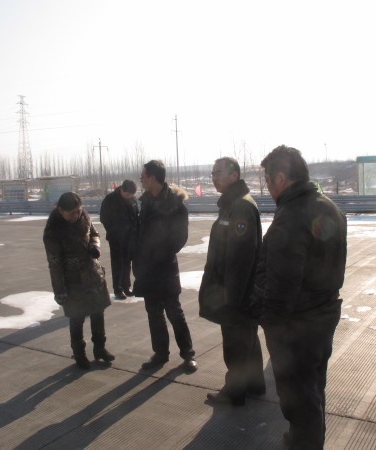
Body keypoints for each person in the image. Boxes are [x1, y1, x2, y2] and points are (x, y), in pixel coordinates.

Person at [251, 146, 347, 449]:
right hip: (323, 312)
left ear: (281, 178)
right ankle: (305, 438)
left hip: (296, 323)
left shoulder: (291, 216)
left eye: (268, 181)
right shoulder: (328, 206)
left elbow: (283, 281)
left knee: (297, 396)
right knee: (313, 388)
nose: (268, 188)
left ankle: (304, 442)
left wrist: (271, 325)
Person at [199, 157, 265, 406]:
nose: (214, 177)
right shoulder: (234, 204)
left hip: (236, 292)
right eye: (212, 173)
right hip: (240, 290)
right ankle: (255, 384)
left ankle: (234, 393)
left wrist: (232, 298)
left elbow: (240, 258)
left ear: (234, 175)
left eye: (218, 173)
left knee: (236, 343)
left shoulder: (240, 207)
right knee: (248, 338)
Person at [133, 160, 198, 373]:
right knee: (154, 314)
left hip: (165, 267)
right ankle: (160, 354)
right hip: (147, 268)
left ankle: (188, 355)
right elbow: (141, 234)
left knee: (174, 312)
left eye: (143, 176)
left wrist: (159, 253)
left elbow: (179, 238)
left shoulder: (175, 205)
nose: (141, 180)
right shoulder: (145, 202)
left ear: (153, 178)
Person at [43, 192, 114, 369]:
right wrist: (59, 289)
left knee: (98, 313)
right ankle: (79, 353)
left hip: (93, 275)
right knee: (77, 318)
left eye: (79, 210)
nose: (76, 215)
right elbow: (54, 264)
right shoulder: (53, 232)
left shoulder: (84, 217)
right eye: (72, 213)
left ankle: (100, 348)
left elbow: (94, 233)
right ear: (61, 210)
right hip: (72, 280)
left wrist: (94, 246)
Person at [100, 180, 139, 300]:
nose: (129, 196)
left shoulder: (132, 199)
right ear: (122, 189)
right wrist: (113, 230)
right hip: (116, 237)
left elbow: (136, 215)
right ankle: (118, 289)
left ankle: (126, 286)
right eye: (127, 194)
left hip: (130, 237)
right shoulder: (110, 199)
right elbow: (103, 217)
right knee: (117, 263)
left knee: (127, 262)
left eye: (131, 195)